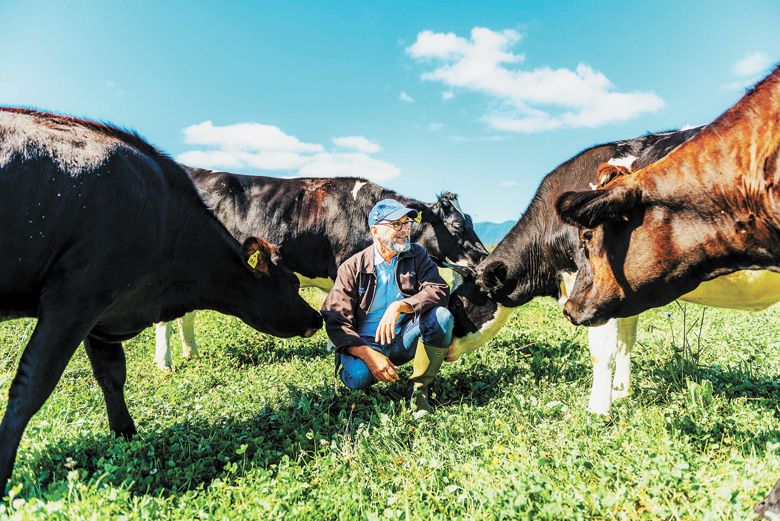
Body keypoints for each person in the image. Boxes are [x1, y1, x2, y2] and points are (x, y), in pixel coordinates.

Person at [321, 198, 454, 414]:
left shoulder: (417, 255)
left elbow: (438, 289)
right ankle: (371, 368)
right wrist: (368, 354)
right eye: (396, 225)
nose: (405, 231)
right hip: (364, 344)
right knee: (357, 377)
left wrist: (402, 306)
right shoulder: (351, 268)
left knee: (441, 317)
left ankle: (419, 390)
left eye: (407, 224)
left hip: (402, 339)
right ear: (375, 231)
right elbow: (336, 323)